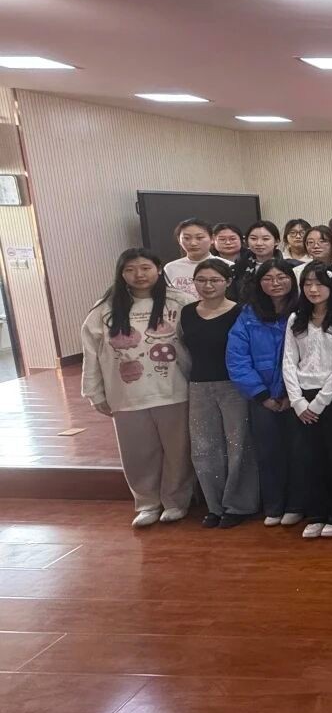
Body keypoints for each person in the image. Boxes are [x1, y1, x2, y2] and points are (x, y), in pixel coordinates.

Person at [81, 248, 193, 527]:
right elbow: (91, 353)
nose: (139, 275)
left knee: (178, 450)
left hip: (174, 389)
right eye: (130, 269)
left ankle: (176, 501)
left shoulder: (180, 302)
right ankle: (147, 503)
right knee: (137, 453)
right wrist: (94, 392)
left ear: (159, 269)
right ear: (121, 274)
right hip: (127, 394)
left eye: (145, 268)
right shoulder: (104, 309)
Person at [283, 262, 332, 539]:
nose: (313, 289)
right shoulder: (296, 318)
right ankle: (317, 512)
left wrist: (319, 402)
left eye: (319, 283)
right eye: (307, 284)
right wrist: (297, 401)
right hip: (302, 397)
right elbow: (288, 360)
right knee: (308, 457)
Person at [180, 259, 256, 528]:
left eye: (215, 280)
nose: (208, 285)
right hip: (199, 386)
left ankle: (239, 505)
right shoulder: (187, 312)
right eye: (201, 280)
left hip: (233, 386)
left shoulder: (241, 312)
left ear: (228, 282)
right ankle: (215, 505)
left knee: (239, 446)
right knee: (204, 448)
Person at [227, 261, 300, 527]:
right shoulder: (248, 314)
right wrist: (261, 395)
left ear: (292, 280)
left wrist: (292, 394)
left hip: (297, 396)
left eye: (281, 277)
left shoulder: (302, 311)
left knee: (298, 451)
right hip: (263, 397)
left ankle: (296, 504)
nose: (275, 283)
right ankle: (273, 505)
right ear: (259, 283)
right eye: (268, 278)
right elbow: (237, 358)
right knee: (268, 452)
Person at [230, 219, 285, 300]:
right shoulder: (238, 268)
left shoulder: (288, 266)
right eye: (253, 238)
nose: (259, 243)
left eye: (265, 239)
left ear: (276, 241)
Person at [163, 218, 215, 297]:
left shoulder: (227, 265)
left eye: (199, 238)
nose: (193, 243)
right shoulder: (170, 268)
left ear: (212, 239)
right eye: (186, 238)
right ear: (179, 240)